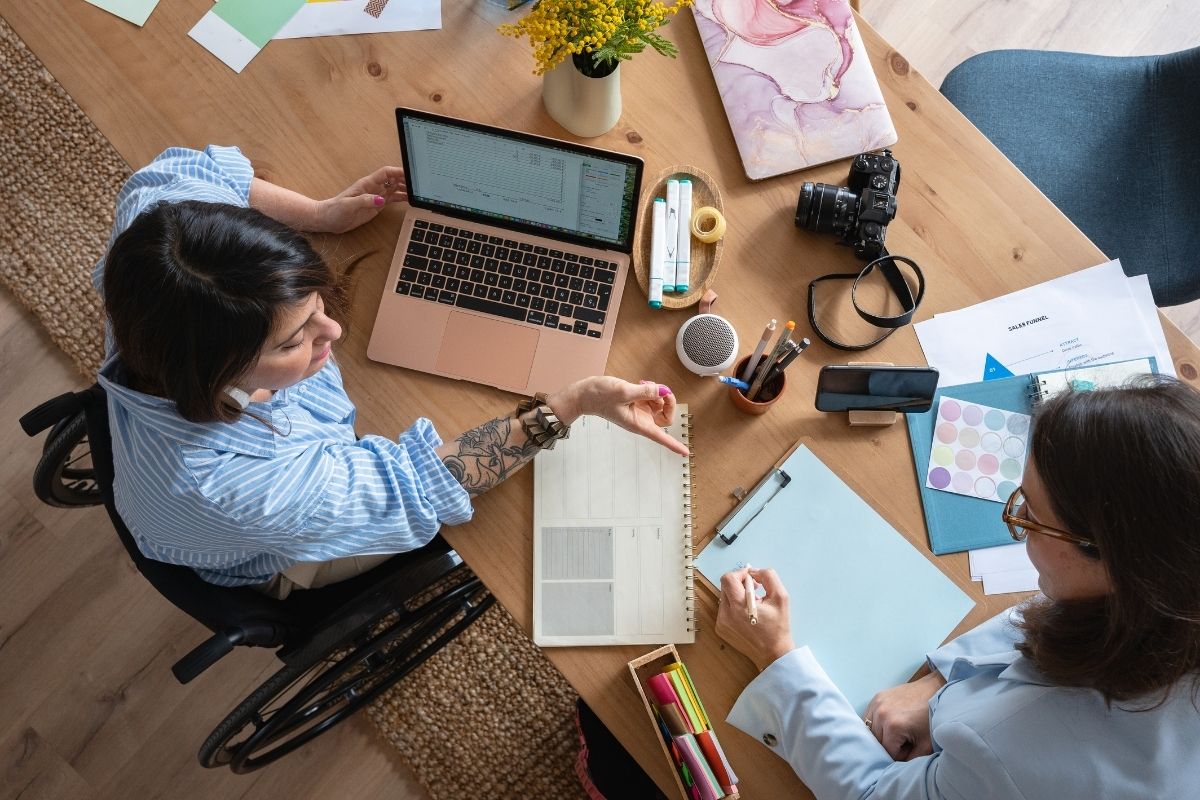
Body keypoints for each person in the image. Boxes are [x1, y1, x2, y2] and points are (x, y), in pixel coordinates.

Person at [95, 145, 687, 597]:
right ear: (218, 374)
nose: (335, 333)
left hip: (198, 468)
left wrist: (321, 215)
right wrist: (571, 402)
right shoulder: (251, 488)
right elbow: (419, 486)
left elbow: (191, 168)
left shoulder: (160, 235)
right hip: (266, 551)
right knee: (470, 545)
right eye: (295, 340)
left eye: (316, 304)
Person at [714, 377, 1200, 799]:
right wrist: (941, 681)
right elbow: (1070, 605)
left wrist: (775, 655)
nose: (1017, 523)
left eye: (1029, 515)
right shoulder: (1164, 581)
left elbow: (870, 793)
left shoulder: (1017, 752)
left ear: (1115, 561)